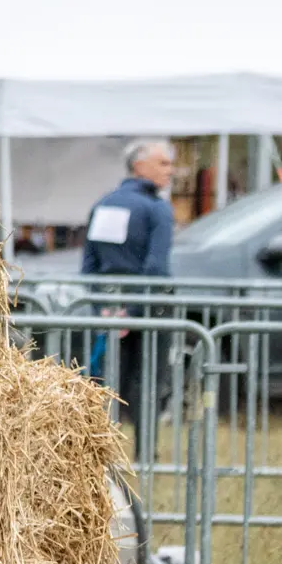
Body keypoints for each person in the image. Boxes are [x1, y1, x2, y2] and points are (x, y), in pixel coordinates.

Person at [82, 138, 178, 441]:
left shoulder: (103, 204)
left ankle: (100, 450)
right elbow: (156, 268)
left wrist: (105, 309)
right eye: (163, 163)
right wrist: (135, 312)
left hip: (110, 306)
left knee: (107, 384)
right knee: (149, 382)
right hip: (148, 309)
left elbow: (89, 265)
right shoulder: (157, 209)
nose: (170, 171)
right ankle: (147, 455)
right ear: (139, 165)